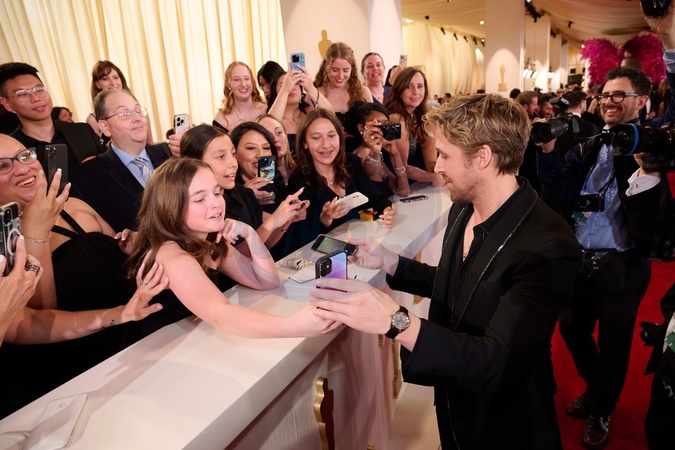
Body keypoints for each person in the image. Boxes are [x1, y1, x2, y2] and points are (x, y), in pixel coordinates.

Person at [310, 94, 582, 450]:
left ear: (482, 157)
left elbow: (495, 361)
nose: (436, 166)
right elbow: (463, 285)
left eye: (445, 155)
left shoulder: (549, 245)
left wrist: (396, 321)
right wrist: (391, 262)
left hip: (505, 420)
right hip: (455, 401)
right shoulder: (464, 207)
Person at [536, 65, 665, 448]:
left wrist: (647, 158)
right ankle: (598, 389)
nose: (608, 101)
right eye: (605, 94)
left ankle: (602, 409)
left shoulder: (651, 145)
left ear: (641, 101)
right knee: (571, 328)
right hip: (580, 259)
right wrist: (547, 150)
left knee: (614, 342)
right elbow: (559, 195)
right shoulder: (590, 144)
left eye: (618, 95)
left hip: (623, 264)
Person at [124, 157, 339, 339]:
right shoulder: (172, 256)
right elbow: (220, 314)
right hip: (159, 355)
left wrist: (250, 234)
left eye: (217, 193)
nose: (216, 203)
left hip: (195, 342)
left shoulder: (208, 241)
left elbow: (267, 281)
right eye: (200, 199)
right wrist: (294, 325)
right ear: (171, 208)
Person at [285, 109, 394, 250]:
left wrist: (386, 210)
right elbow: (307, 239)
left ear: (340, 137)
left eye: (331, 136)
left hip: (362, 245)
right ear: (305, 143)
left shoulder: (351, 162)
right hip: (329, 256)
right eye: (316, 138)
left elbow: (376, 198)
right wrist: (326, 219)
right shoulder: (299, 180)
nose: (326, 145)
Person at [69, 88, 171, 232]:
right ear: (105, 127)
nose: (137, 118)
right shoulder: (84, 179)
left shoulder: (170, 155)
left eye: (138, 111)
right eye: (124, 113)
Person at [0, 62, 104, 170]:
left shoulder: (83, 131)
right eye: (22, 94)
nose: (35, 98)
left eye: (39, 90)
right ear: (7, 104)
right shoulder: (8, 150)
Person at [384, 67, 443, 185]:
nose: (416, 92)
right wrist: (433, 177)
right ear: (399, 90)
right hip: (396, 182)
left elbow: (431, 164)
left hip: (418, 180)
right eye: (409, 87)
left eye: (420, 86)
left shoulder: (424, 118)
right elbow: (401, 167)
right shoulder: (396, 119)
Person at [344, 101, 409, 197]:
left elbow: (403, 192)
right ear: (361, 128)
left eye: (385, 125)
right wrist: (375, 153)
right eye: (377, 125)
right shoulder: (362, 152)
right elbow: (371, 172)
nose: (381, 130)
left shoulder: (378, 154)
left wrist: (395, 154)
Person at [87, 61, 154, 145]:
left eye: (115, 77)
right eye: (105, 79)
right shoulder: (93, 119)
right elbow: (96, 151)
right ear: (97, 84)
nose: (112, 83)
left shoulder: (140, 112)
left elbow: (149, 143)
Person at [267, 67, 333, 151]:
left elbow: (330, 116)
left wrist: (310, 88)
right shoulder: (273, 116)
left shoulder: (309, 112)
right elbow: (269, 126)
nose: (292, 88)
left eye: (296, 83)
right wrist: (285, 90)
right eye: (283, 85)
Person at [314, 42, 373, 120]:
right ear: (326, 68)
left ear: (352, 69)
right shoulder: (315, 94)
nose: (340, 76)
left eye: (345, 70)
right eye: (335, 70)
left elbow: (372, 121)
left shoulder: (364, 93)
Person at [213, 62, 267, 133]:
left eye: (246, 79)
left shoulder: (266, 110)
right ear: (228, 84)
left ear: (252, 82)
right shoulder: (221, 118)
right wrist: (230, 135)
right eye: (237, 79)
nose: (243, 84)